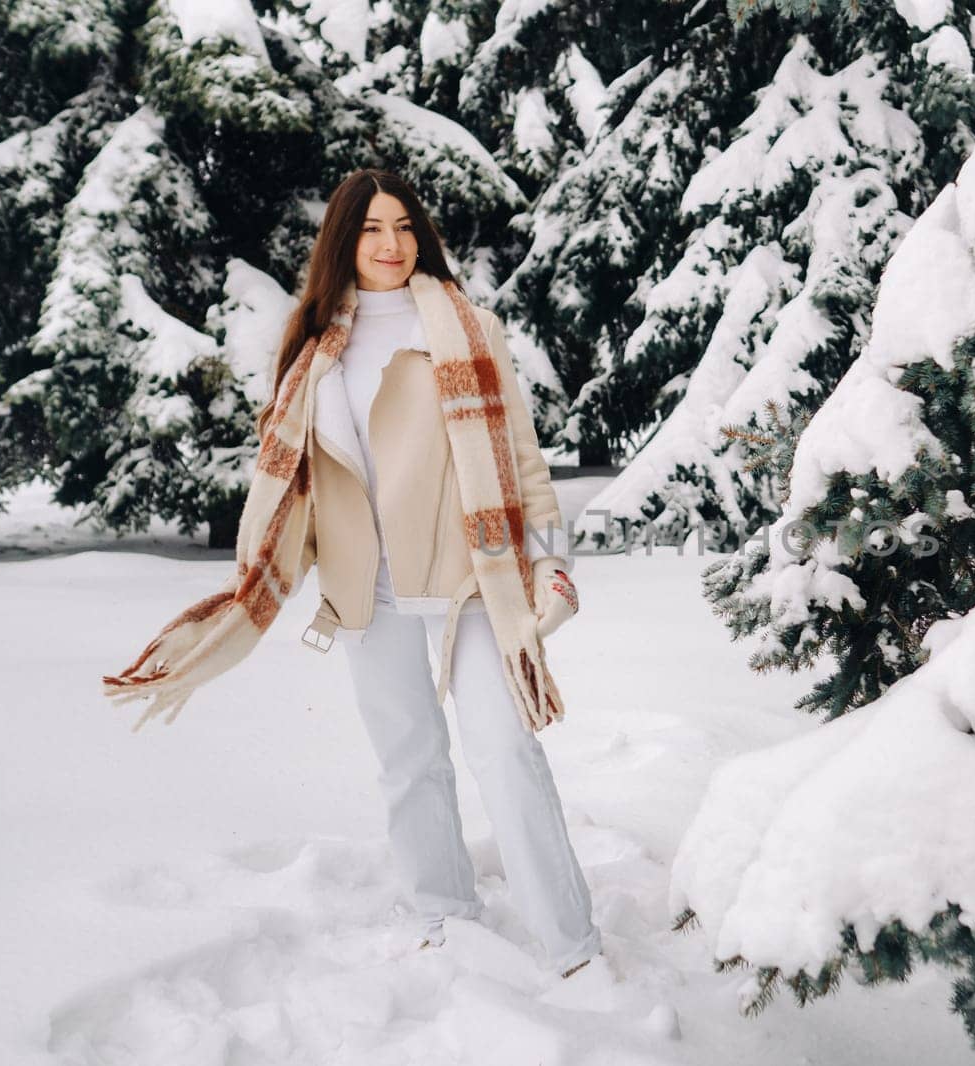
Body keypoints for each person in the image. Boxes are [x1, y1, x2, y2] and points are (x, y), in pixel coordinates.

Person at [103, 168, 601, 980]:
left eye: (405, 227)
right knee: (408, 757)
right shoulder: (312, 347)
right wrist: (255, 582)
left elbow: (520, 458)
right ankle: (441, 907)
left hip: (471, 573)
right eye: (372, 229)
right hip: (364, 580)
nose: (392, 245)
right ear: (344, 240)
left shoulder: (468, 327)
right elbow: (294, 479)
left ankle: (571, 944)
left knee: (505, 749)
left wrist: (550, 559)